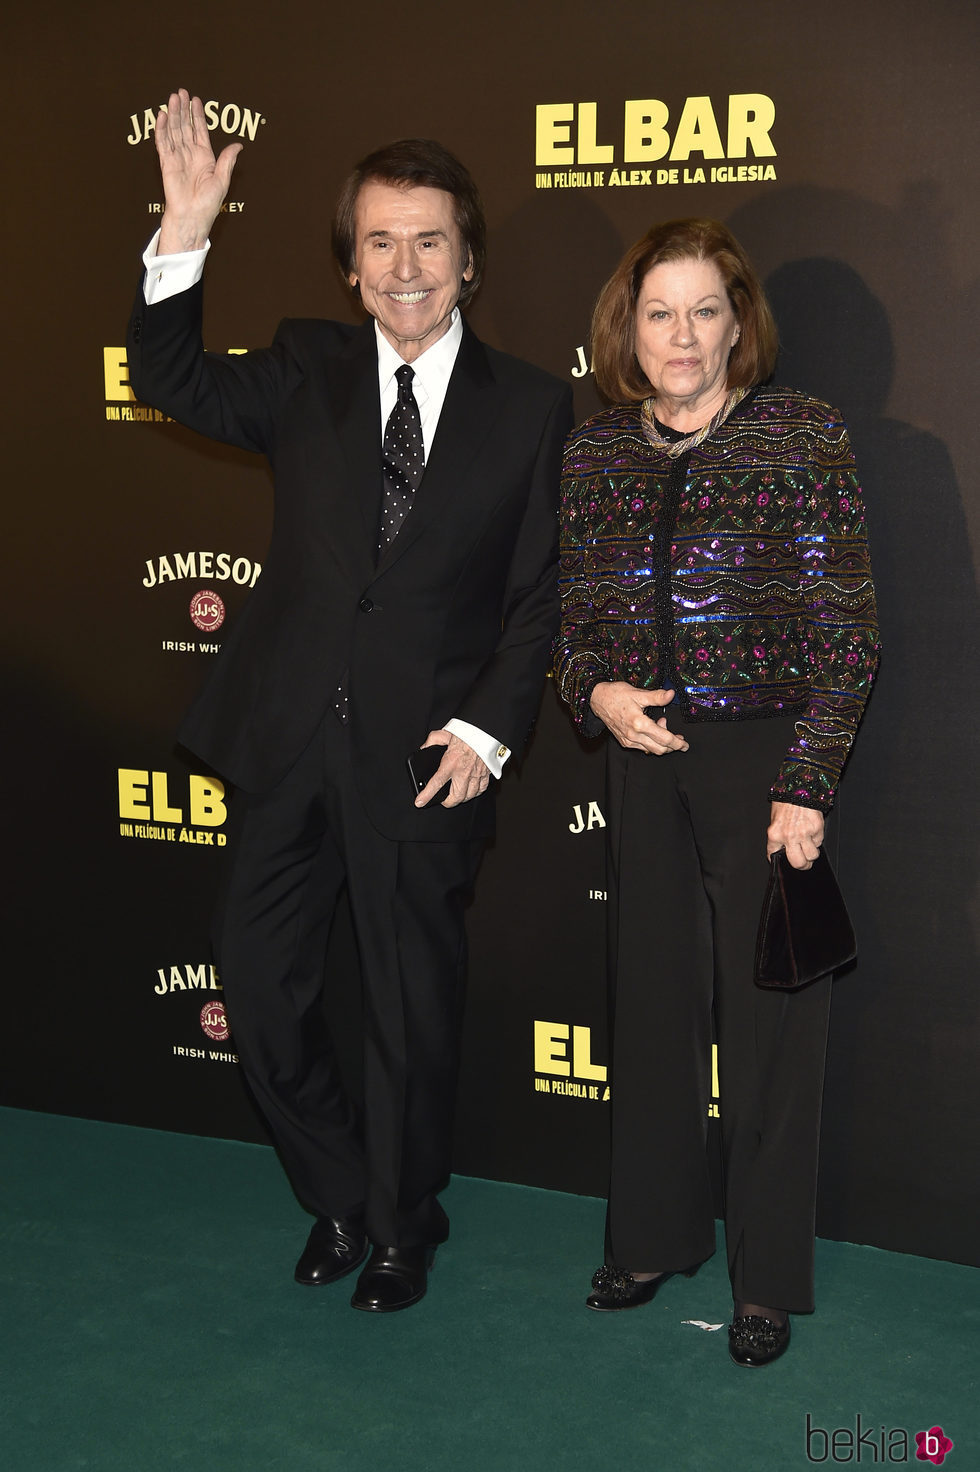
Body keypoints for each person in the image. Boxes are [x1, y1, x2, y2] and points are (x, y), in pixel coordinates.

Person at [129, 90, 572, 1313]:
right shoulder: (303, 367)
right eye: (379, 242)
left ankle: (399, 1223)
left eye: (429, 240)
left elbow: (537, 593)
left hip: (424, 759)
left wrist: (486, 730)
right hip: (286, 745)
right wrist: (184, 231)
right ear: (349, 264)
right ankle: (339, 1188)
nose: (405, 267)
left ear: (467, 259)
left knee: (407, 1010)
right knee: (259, 988)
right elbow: (167, 375)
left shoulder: (529, 407)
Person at [554, 218, 879, 1365]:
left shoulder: (801, 435)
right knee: (646, 1005)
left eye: (703, 310)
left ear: (737, 324)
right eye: (658, 312)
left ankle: (764, 1279)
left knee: (772, 1031)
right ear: (625, 329)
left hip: (766, 766)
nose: (681, 334)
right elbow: (577, 626)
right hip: (642, 759)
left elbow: (848, 629)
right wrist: (593, 693)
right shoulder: (593, 453)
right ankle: (648, 1237)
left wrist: (807, 782)